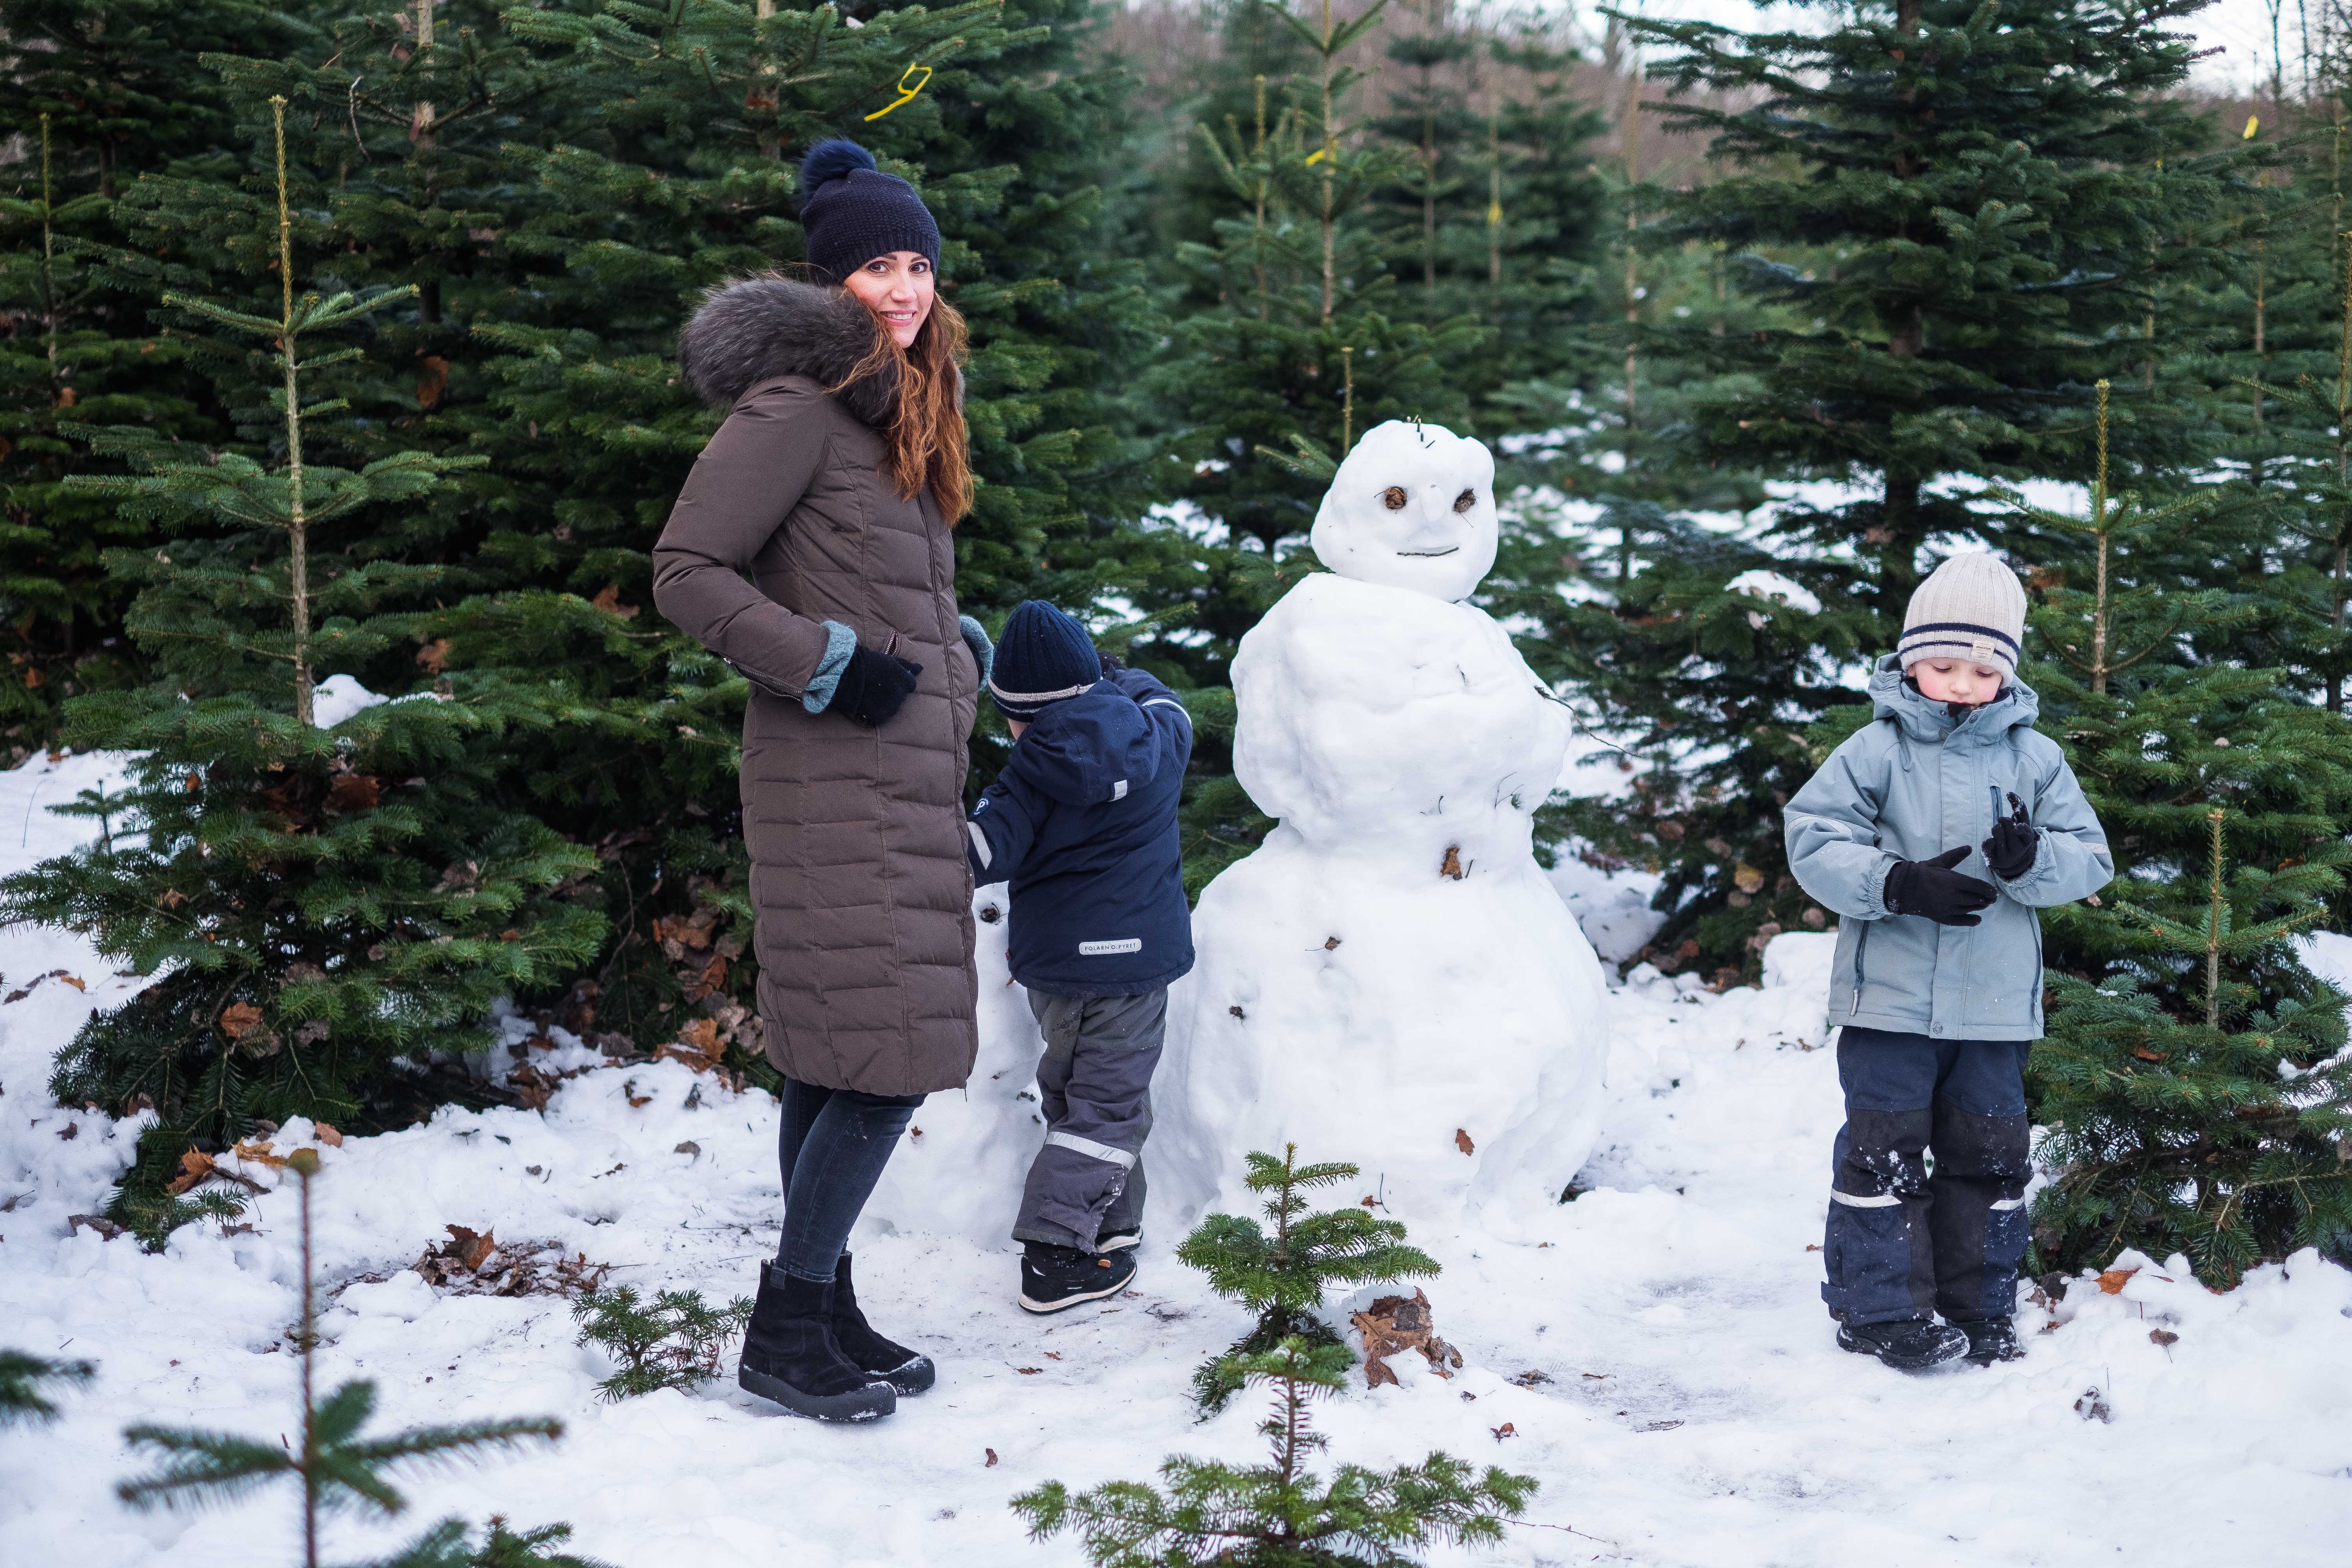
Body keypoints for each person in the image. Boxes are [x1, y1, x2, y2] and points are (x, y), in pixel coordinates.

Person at [652, 138, 996, 1423]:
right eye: (874, 266)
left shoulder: (903, 402)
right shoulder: (793, 407)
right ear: (829, 279)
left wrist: (950, 657)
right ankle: (787, 1327)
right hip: (829, 773)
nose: (901, 287)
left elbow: (871, 579)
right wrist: (830, 668)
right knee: (885, 1055)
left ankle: (825, 1306)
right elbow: (688, 573)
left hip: (894, 773)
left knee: (832, 1051)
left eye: (916, 264)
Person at [1784, 553, 2112, 1371]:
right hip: (1889, 999)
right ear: (1908, 660)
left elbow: (2090, 856)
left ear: (2007, 669)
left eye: (1982, 668)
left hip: (1993, 1004)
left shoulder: (2036, 760)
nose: (1963, 684)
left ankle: (1980, 1302)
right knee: (1885, 1147)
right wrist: (1892, 881)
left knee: (1989, 1152)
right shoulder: (1872, 750)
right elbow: (1814, 837)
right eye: (1942, 666)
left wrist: (2029, 859)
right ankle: (1880, 1308)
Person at [964, 601, 1195, 1312]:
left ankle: (1081, 1240)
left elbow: (979, 853)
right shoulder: (1161, 735)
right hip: (1135, 973)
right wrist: (1106, 680)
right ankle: (1069, 1250)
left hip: (1060, 972)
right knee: (1108, 1108)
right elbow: (1162, 696)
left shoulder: (1026, 780)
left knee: (1080, 1101)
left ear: (1017, 716)